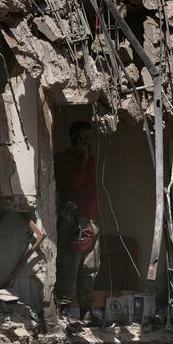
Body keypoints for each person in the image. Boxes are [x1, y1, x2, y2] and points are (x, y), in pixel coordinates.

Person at [54, 121, 101, 322]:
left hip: (91, 218)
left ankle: (86, 309)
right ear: (75, 138)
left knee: (90, 266)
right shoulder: (63, 159)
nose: (89, 142)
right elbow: (72, 183)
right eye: (85, 137)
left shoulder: (90, 159)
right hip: (72, 218)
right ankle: (64, 308)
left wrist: (86, 158)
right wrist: (82, 158)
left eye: (91, 138)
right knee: (69, 264)